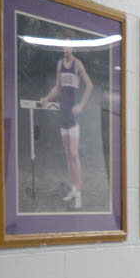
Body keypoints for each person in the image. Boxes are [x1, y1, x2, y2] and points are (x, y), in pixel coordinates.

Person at [41, 39, 95, 209]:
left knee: (74, 154)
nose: (66, 49)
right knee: (67, 154)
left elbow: (89, 86)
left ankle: (79, 192)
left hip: (73, 115)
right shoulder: (59, 65)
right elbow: (58, 88)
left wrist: (81, 105)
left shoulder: (77, 64)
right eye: (63, 46)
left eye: (69, 46)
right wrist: (47, 98)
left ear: (73, 48)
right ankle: (73, 189)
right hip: (63, 113)